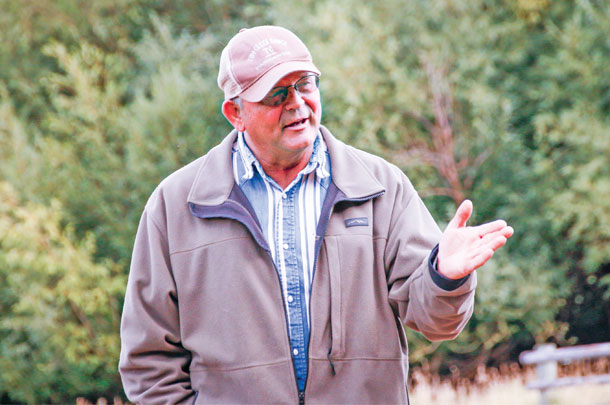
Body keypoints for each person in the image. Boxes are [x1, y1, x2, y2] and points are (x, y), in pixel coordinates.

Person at [119, 25, 514, 404]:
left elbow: (437, 322)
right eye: (275, 94)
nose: (296, 103)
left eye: (304, 84)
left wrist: (444, 276)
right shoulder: (174, 206)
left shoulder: (381, 187)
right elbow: (148, 361)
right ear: (235, 114)